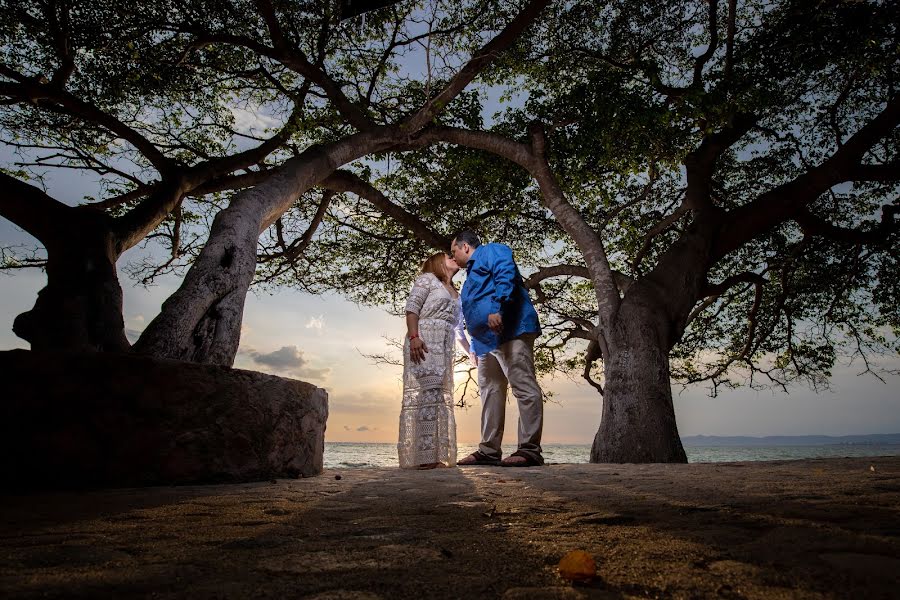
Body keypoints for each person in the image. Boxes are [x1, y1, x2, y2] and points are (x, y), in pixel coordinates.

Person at [450, 230, 545, 467]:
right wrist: (473, 345)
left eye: (454, 251)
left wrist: (498, 309)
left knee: (523, 385)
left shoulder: (492, 250)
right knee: (490, 392)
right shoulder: (469, 278)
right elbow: (471, 312)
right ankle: (489, 451)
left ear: (465, 247)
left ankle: (530, 449)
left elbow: (505, 275)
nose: (454, 257)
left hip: (510, 329)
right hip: (484, 343)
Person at [398, 252, 473, 469]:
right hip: (424, 341)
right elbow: (412, 309)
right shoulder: (427, 280)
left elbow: (458, 329)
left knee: (439, 396)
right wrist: (414, 337)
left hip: (445, 347)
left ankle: (435, 456)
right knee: (428, 392)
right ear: (437, 262)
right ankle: (424, 458)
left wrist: (470, 352)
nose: (453, 258)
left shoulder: (456, 293)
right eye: (448, 256)